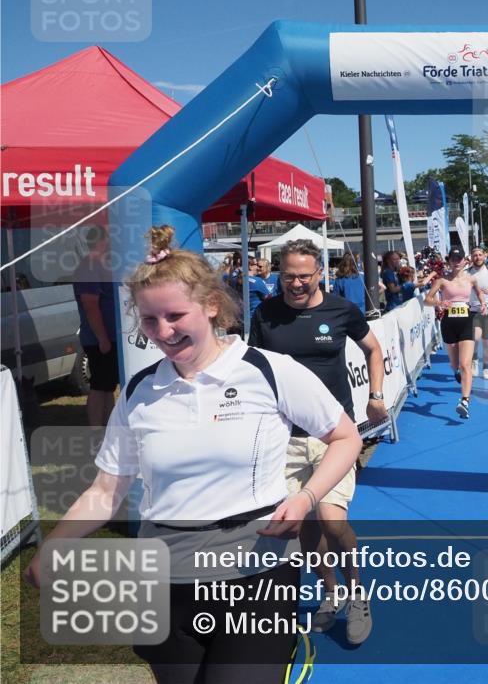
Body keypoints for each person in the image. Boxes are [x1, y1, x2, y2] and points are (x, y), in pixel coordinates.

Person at [27, 225, 362, 683]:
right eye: (149, 320)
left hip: (256, 567)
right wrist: (56, 545)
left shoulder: (267, 370)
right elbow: (107, 489)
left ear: (210, 306)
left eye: (175, 315)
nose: (163, 331)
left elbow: (346, 438)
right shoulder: (140, 390)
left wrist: (306, 498)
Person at [250, 239, 387, 644]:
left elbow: (374, 349)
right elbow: (255, 369)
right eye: (287, 275)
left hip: (334, 436)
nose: (294, 283)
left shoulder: (341, 310)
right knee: (300, 529)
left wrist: (376, 396)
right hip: (285, 439)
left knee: (332, 519)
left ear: (320, 274)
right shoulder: (266, 313)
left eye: (303, 276)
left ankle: (358, 592)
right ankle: (331, 590)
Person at [424, 245, 487, 419]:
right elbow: (427, 300)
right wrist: (439, 303)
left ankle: (464, 401)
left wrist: (483, 304)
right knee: (454, 364)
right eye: (453, 259)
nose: (456, 262)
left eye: (459, 259)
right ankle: (456, 371)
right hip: (448, 323)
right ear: (449, 261)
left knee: (466, 364)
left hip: (466, 321)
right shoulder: (442, 280)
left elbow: (480, 294)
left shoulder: (471, 279)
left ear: (464, 261)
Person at [72, 226, 118, 426]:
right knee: (100, 386)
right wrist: (103, 339)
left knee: (107, 385)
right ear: (103, 242)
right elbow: (90, 305)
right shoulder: (89, 266)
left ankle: (107, 428)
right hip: (99, 338)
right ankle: (96, 431)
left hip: (107, 337)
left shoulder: (100, 265)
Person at [466, 246, 488, 380]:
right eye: (475, 255)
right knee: (476, 338)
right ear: (471, 257)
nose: (477, 257)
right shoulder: (466, 273)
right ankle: (474, 361)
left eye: (480, 255)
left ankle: (486, 368)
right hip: (473, 311)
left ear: (485, 256)